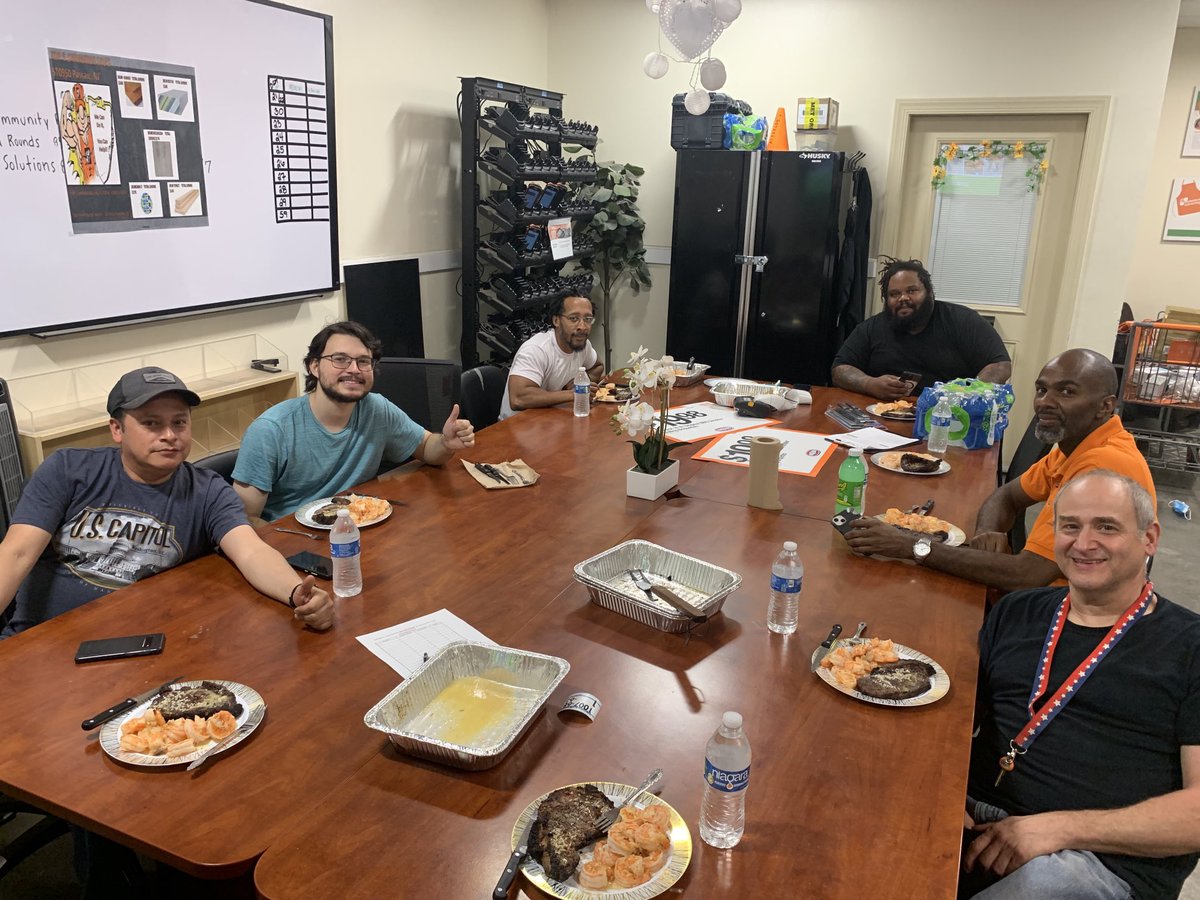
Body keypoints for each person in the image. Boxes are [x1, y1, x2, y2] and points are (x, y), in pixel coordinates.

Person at [960, 470, 1200, 899]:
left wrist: (1059, 829)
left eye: (1106, 527)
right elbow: (954, 723)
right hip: (978, 819)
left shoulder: (1191, 646)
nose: (1084, 543)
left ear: (1149, 538)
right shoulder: (1016, 612)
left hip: (1093, 860)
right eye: (1070, 526)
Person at [0, 367, 335, 635]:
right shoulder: (67, 470)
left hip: (143, 643)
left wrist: (297, 593)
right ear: (117, 429)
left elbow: (251, 552)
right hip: (43, 639)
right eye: (151, 423)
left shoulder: (207, 491)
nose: (170, 435)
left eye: (179, 422)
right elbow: (15, 554)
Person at [844, 349, 1155, 591]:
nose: (1045, 402)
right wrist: (985, 537)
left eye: (1067, 392)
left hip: (1072, 611)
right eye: (1042, 390)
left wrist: (910, 546)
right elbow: (1006, 496)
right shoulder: (1076, 444)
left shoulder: (1102, 466)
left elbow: (1027, 575)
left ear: (1105, 406)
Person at [232, 321, 475, 522]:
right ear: (314, 366)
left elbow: (427, 448)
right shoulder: (271, 430)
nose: (354, 369)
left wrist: (445, 443)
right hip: (296, 540)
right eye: (340, 359)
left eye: (363, 361)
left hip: (358, 528)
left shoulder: (376, 409)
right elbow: (243, 518)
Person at [831, 257, 1011, 400]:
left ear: (929, 293)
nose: (903, 298)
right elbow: (840, 369)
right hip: (881, 416)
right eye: (894, 294)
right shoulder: (872, 328)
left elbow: (1000, 365)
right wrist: (869, 384)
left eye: (911, 291)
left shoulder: (963, 320)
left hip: (948, 418)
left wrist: (965, 397)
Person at [499, 295, 605, 420]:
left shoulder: (582, 345)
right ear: (556, 320)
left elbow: (598, 367)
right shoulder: (536, 349)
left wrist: (580, 383)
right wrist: (573, 393)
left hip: (552, 419)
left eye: (588, 319)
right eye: (573, 318)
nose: (582, 326)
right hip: (517, 425)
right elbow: (518, 398)